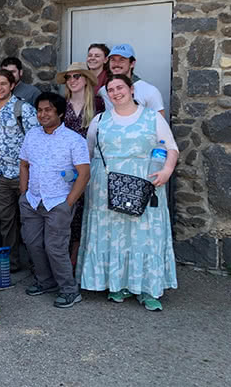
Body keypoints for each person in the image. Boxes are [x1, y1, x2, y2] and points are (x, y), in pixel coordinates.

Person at [78, 75, 179, 311]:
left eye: (120, 87)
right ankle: (116, 284)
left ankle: (147, 289)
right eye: (110, 89)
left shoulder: (152, 117)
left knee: (143, 236)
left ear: (131, 89)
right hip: (106, 187)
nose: (115, 92)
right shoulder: (100, 120)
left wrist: (166, 171)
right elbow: (89, 151)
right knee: (112, 235)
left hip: (143, 183)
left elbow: (171, 147)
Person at [19, 92, 90, 309]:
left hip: (58, 202)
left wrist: (68, 202)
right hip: (32, 200)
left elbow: (84, 173)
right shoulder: (32, 135)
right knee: (33, 243)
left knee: (55, 247)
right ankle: (45, 281)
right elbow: (24, 164)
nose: (43, 114)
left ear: (59, 112)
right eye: (40, 110)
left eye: (48, 109)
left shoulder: (74, 140)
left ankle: (69, 290)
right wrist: (24, 193)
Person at [0, 69, 39, 272]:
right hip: (0, 174)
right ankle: (12, 262)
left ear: (11, 86)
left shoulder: (23, 109)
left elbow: (36, 139)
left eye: (3, 84)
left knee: (30, 219)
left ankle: (38, 265)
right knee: (6, 220)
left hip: (22, 174)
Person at [58, 62, 105, 263]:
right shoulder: (62, 104)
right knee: (69, 211)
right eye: (69, 77)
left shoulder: (98, 104)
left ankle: (80, 260)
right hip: (66, 166)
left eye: (77, 76)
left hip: (90, 164)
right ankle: (66, 260)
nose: (72, 80)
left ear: (86, 79)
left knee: (88, 211)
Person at [98, 44, 165, 116]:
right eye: (113, 60)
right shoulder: (103, 91)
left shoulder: (149, 91)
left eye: (122, 60)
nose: (116, 64)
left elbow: (159, 121)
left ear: (132, 63)